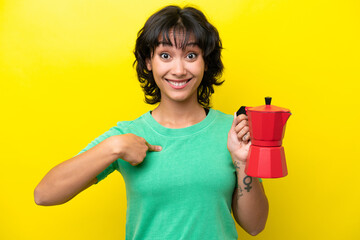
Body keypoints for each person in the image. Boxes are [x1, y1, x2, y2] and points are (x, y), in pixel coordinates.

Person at [34, 5, 269, 240]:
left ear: (205, 62)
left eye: (191, 55)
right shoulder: (128, 135)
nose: (178, 70)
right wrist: (113, 147)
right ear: (148, 61)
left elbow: (255, 225)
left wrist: (242, 161)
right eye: (165, 55)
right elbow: (44, 195)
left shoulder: (234, 133)